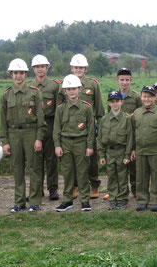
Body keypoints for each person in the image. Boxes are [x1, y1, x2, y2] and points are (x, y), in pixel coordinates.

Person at [0, 58, 46, 212]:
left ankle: (34, 201)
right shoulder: (5, 95)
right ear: (11, 75)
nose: (18, 76)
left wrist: (39, 138)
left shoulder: (34, 93)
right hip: (13, 134)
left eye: (21, 73)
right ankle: (19, 202)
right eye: (15, 73)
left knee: (34, 167)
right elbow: (2, 121)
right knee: (17, 168)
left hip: (31, 133)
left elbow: (41, 118)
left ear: (26, 74)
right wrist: (4, 141)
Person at [58, 54, 104, 199]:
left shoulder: (92, 84)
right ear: (71, 68)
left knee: (91, 158)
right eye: (76, 67)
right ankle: (75, 186)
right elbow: (60, 106)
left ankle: (94, 184)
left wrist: (99, 127)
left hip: (88, 128)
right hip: (70, 128)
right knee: (72, 161)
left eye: (81, 68)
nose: (78, 70)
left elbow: (100, 108)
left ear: (86, 68)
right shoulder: (64, 84)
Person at [53, 74, 95, 212]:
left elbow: (90, 129)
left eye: (74, 88)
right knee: (67, 172)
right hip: (65, 143)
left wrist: (89, 146)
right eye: (68, 89)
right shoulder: (60, 108)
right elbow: (56, 128)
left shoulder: (87, 108)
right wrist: (57, 145)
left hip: (81, 143)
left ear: (79, 89)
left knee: (82, 172)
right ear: (65, 91)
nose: (71, 91)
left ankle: (84, 200)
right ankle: (67, 200)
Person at [103, 68, 142, 200]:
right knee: (116, 169)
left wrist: (135, 145)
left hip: (132, 135)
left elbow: (140, 116)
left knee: (133, 165)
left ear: (131, 80)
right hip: (118, 136)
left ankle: (135, 188)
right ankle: (115, 190)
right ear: (117, 80)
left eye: (127, 80)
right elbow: (109, 116)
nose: (124, 82)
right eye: (122, 79)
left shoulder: (136, 97)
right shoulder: (113, 97)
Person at [131, 85, 157, 212]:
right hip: (141, 150)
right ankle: (142, 201)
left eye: (149, 96)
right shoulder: (137, 113)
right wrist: (133, 149)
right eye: (144, 96)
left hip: (156, 151)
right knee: (141, 177)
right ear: (141, 97)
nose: (147, 99)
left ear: (154, 97)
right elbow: (133, 132)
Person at [28, 54, 61, 201]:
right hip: (34, 126)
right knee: (35, 160)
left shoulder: (55, 86)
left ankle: (52, 189)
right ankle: (37, 189)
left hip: (51, 124)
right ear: (33, 69)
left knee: (51, 159)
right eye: (37, 67)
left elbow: (59, 108)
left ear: (47, 68)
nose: (40, 69)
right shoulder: (29, 86)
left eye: (42, 66)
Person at [97, 91, 134, 210]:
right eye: (112, 102)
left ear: (122, 102)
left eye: (117, 101)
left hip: (122, 151)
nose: (115, 104)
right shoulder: (104, 119)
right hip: (109, 152)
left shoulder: (127, 119)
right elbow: (100, 138)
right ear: (108, 103)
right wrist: (101, 155)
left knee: (122, 176)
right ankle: (113, 198)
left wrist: (127, 155)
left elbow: (130, 139)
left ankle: (122, 198)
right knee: (111, 176)